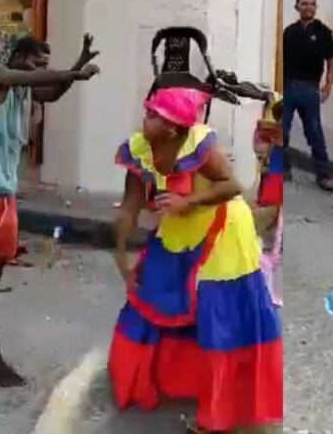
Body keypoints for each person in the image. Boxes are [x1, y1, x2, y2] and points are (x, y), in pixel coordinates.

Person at [109, 86, 283, 432]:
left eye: (155, 115)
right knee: (151, 296)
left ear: (173, 128)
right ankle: (160, 380)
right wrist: (122, 259)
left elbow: (233, 186)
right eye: (148, 110)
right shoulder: (140, 149)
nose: (146, 117)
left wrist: (185, 203)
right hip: (179, 231)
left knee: (218, 314)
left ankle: (219, 412)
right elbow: (129, 206)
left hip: (223, 230)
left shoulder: (200, 145)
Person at [0, 34, 100, 386]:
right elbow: (33, 80)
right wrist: (74, 73)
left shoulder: (23, 90)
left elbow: (51, 92)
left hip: (5, 193)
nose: (41, 71)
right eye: (37, 63)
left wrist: (75, 67)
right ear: (19, 56)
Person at [281, 0, 333, 191]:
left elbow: (332, 61)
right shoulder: (289, 32)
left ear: (315, 8)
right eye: (304, 4)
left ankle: (323, 174)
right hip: (288, 87)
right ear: (297, 7)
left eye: (312, 4)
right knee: (282, 130)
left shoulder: (323, 32)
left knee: (314, 132)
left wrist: (328, 85)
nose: (308, 7)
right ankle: (283, 168)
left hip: (310, 90)